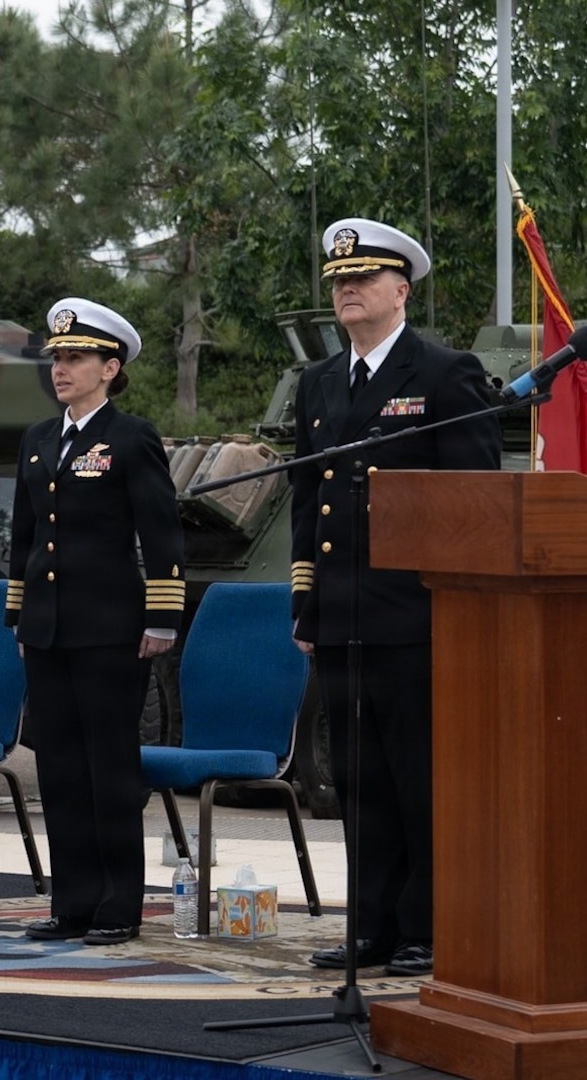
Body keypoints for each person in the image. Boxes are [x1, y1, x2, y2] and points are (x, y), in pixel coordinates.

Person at [290, 219, 501, 976]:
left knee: (419, 784)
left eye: (363, 279)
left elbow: (473, 503)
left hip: (416, 621)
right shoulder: (318, 383)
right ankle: (369, 926)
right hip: (341, 621)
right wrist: (305, 607)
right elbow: (304, 500)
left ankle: (427, 928)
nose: (346, 289)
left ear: (400, 290)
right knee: (357, 787)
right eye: (339, 281)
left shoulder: (443, 373)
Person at [5, 297, 185, 946]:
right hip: (49, 630)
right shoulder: (37, 440)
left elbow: (160, 532)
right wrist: (20, 618)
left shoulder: (129, 437)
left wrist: (162, 616)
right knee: (57, 770)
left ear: (110, 367)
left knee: (109, 771)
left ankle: (117, 904)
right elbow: (23, 538)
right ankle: (71, 901)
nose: (61, 369)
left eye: (75, 358)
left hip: (110, 627)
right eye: (56, 358)